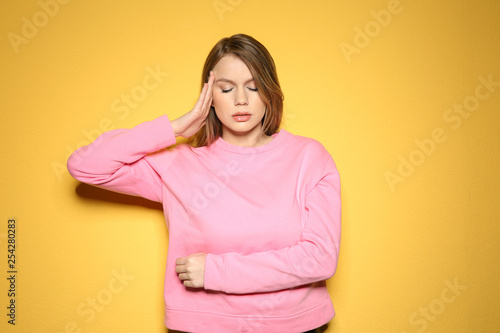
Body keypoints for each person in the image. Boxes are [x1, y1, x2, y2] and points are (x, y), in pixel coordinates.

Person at [67, 33, 341, 333]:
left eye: (253, 86)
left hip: (297, 326)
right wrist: (174, 128)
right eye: (226, 88)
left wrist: (216, 272)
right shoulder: (180, 163)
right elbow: (85, 167)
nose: (241, 99)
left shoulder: (308, 157)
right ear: (209, 95)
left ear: (270, 92)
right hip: (203, 327)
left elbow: (320, 258)